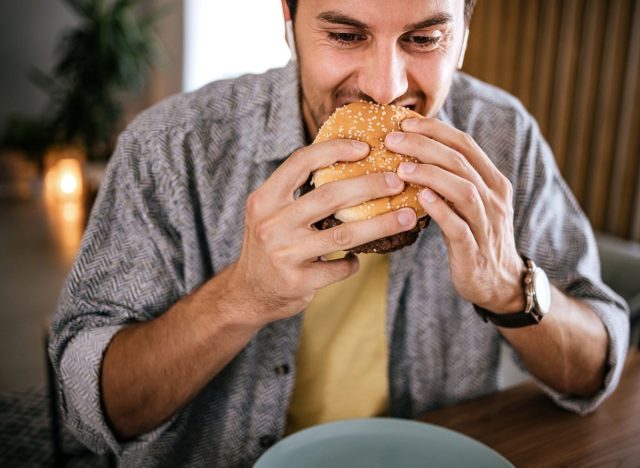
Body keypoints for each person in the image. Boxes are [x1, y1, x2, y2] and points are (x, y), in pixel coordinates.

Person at [49, 0, 629, 466]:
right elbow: (91, 403)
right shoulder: (170, 147)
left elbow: (594, 370)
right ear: (289, 21)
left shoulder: (502, 138)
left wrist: (508, 287)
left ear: (464, 33)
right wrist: (241, 297)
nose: (385, 86)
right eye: (346, 36)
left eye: (424, 38)